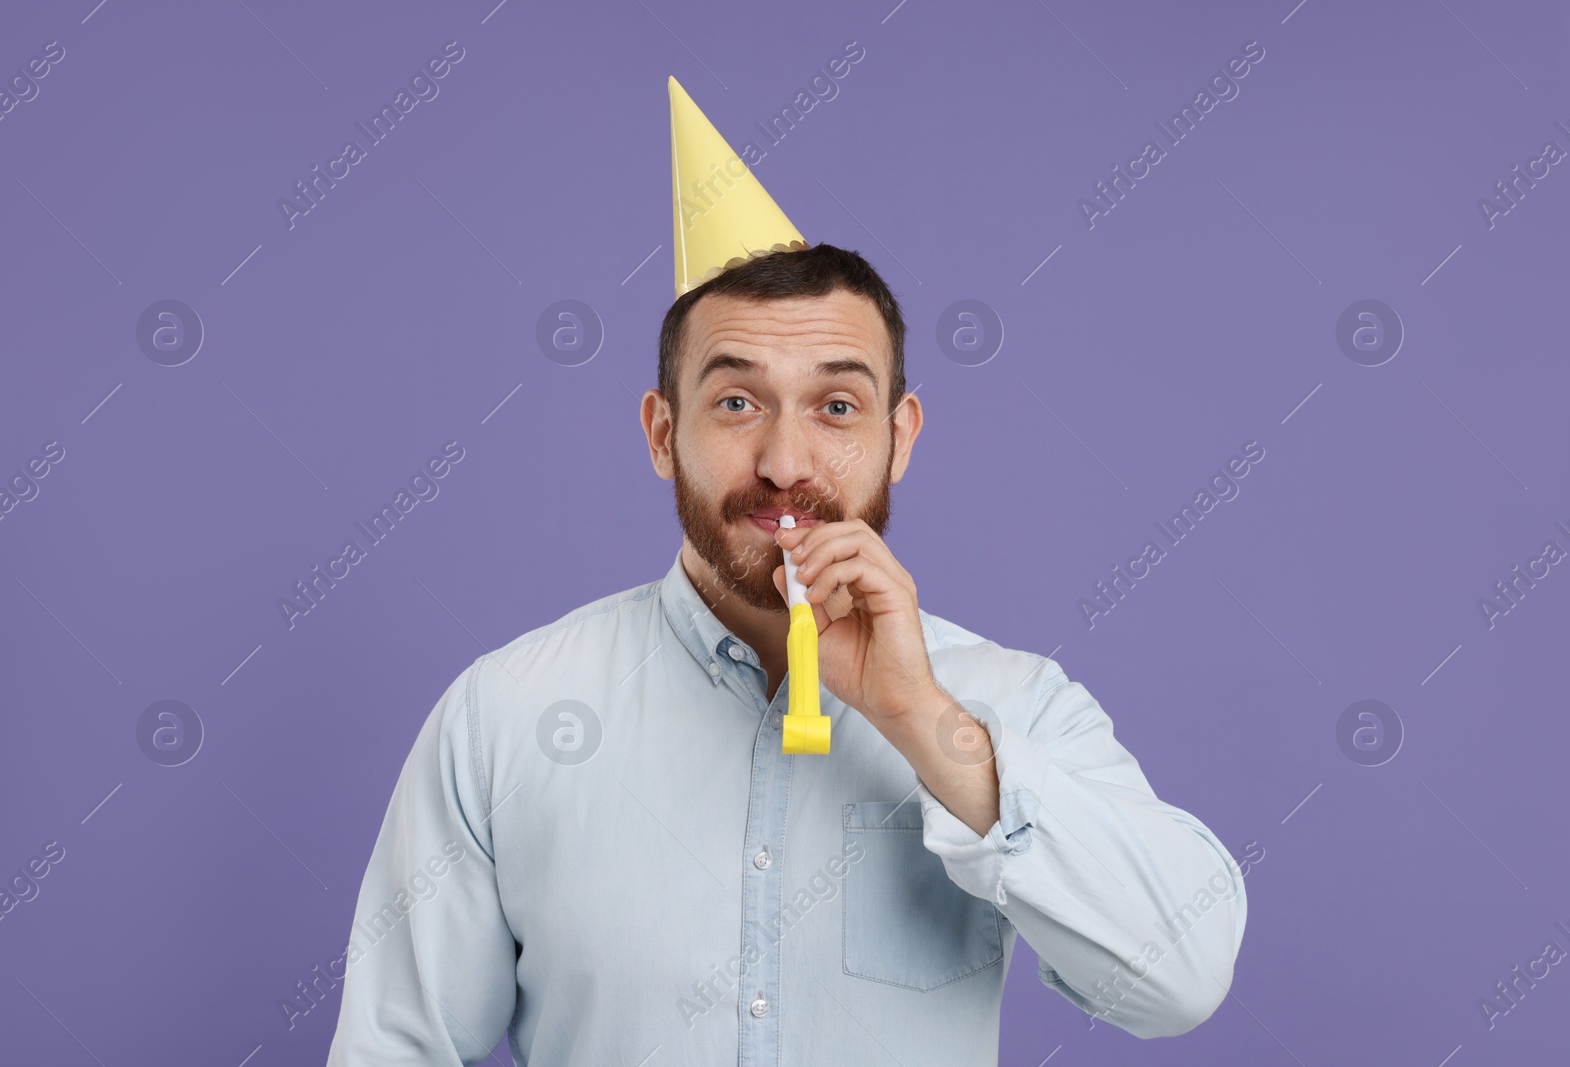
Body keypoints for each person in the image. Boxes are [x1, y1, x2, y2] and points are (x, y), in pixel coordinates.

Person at [326, 77, 1245, 1066]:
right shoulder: (505, 715)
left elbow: (1180, 975)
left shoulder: (1009, 704)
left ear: (901, 437)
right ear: (661, 430)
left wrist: (922, 722)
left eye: (837, 408)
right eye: (735, 403)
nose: (785, 462)